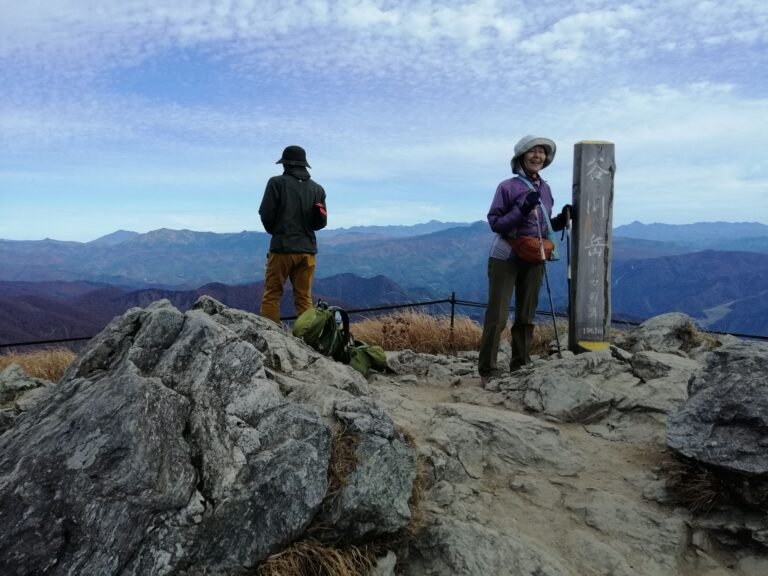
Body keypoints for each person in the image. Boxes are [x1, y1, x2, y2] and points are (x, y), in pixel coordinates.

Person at [478, 135, 571, 378]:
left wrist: (560, 220)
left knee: (527, 314)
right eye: (533, 151)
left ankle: (521, 364)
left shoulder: (546, 189)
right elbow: (496, 223)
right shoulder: (507, 187)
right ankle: (488, 369)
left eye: (542, 152)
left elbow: (541, 227)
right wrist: (522, 209)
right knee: (497, 316)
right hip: (505, 256)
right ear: (521, 156)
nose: (538, 156)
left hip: (535, 255)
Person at [259, 145, 327, 323]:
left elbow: (265, 213)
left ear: (286, 164)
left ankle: (270, 337)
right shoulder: (317, 189)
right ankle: (308, 339)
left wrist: (277, 231)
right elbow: (321, 222)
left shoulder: (276, 183)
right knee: (304, 298)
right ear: (304, 165)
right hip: (307, 251)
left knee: (272, 295)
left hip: (282, 249)